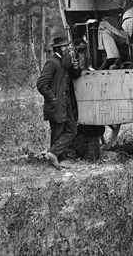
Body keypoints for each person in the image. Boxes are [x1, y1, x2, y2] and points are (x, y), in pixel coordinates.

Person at [36, 35, 82, 170]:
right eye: (65, 46)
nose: (68, 48)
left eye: (68, 46)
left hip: (66, 102)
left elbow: (75, 75)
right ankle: (55, 158)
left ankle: (53, 154)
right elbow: (41, 84)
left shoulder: (65, 61)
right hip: (56, 103)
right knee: (58, 130)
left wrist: (75, 67)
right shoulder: (52, 62)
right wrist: (52, 98)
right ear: (58, 48)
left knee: (72, 129)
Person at [98, 0, 133, 70]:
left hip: (128, 37)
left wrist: (107, 20)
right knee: (105, 31)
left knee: (102, 25)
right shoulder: (127, 5)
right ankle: (113, 58)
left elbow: (125, 28)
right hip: (126, 34)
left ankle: (107, 55)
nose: (113, 1)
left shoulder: (132, 7)